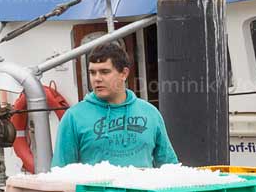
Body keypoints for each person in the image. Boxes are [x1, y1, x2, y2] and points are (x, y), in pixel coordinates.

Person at [51, 39, 178, 167]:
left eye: (105, 72)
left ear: (124, 73)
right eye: (92, 72)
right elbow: (59, 174)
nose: (97, 79)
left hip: (142, 187)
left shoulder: (151, 113)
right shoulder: (73, 117)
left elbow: (170, 168)